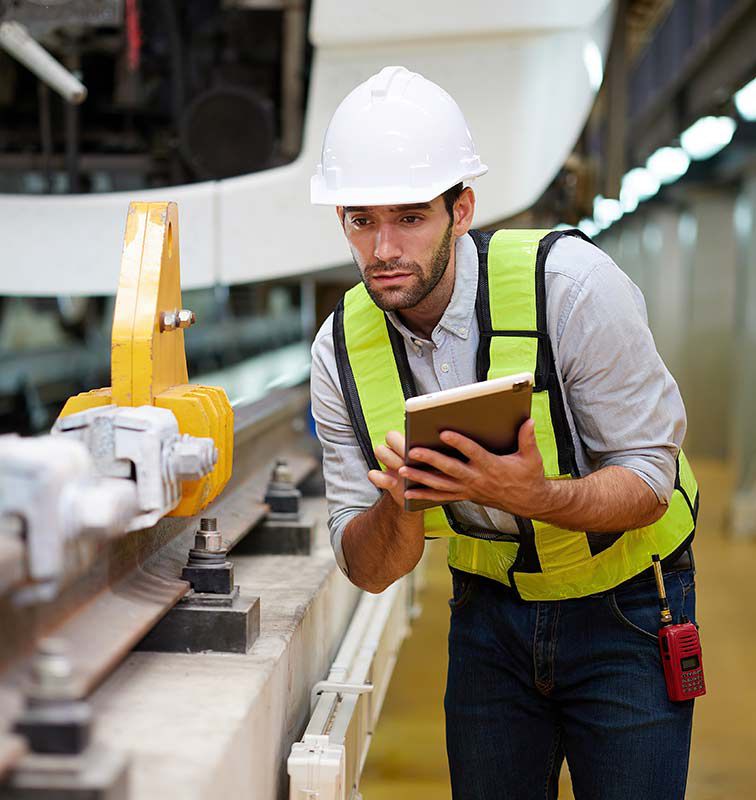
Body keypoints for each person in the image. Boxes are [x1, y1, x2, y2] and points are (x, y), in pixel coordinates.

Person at [309, 66, 699, 800]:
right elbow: (368, 568)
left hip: (629, 609)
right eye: (361, 219)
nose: (383, 248)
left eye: (410, 216)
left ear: (462, 209)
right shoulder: (339, 352)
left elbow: (651, 480)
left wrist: (538, 494)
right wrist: (400, 504)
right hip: (487, 620)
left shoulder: (574, 287)